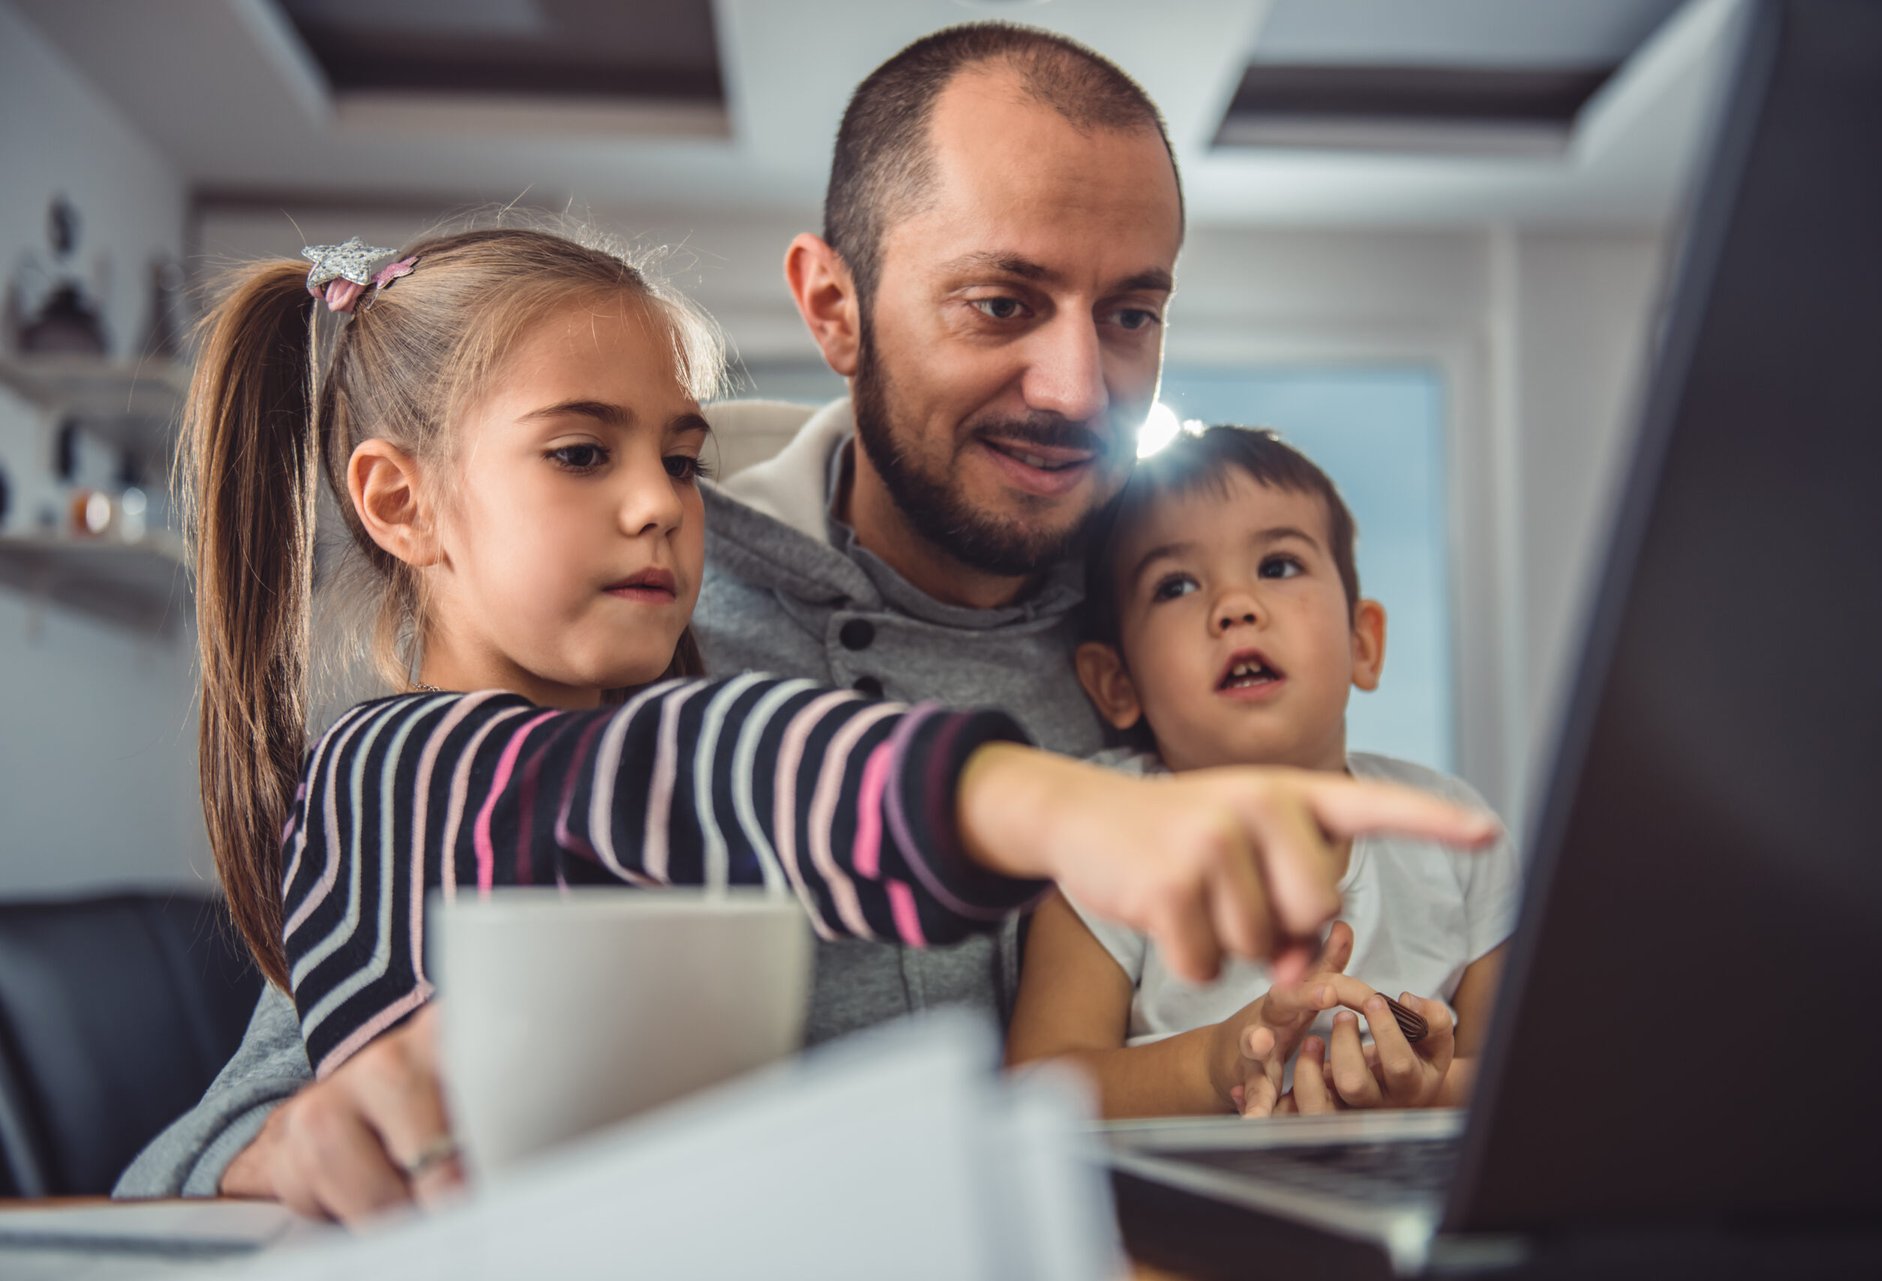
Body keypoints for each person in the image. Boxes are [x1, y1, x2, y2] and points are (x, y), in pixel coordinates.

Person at [117, 23, 1486, 1217]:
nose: (1081, 386)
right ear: (832, 306)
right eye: (1001, 303)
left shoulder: (1169, 629)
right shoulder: (626, 637)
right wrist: (283, 1154)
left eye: (1131, 312)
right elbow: (224, 1141)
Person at [1005, 424, 1522, 1119]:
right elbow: (1035, 1089)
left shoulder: (1456, 835)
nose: (1236, 606)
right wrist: (1217, 1064)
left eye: (1278, 566)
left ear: (1362, 643)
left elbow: (1521, 1080)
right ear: (1116, 682)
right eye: (1176, 584)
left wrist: (1420, 1089)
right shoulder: (1103, 834)